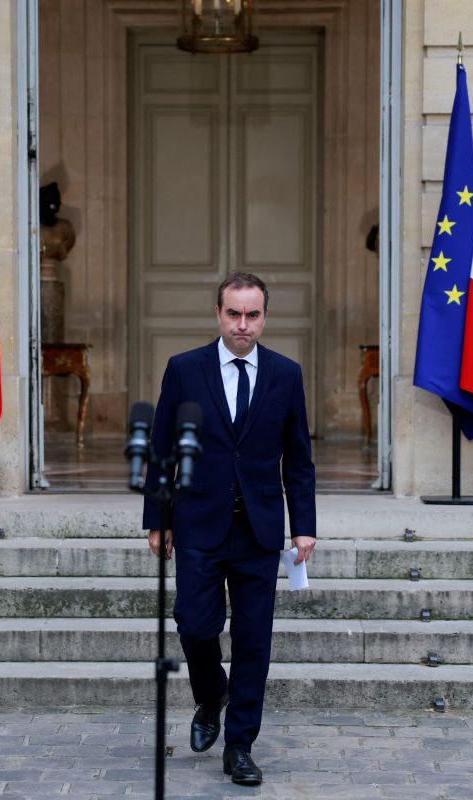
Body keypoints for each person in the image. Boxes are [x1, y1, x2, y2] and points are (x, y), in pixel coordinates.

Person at [144, 271, 317, 787]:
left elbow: (299, 460)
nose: (243, 324)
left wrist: (303, 526)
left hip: (258, 530)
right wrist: (158, 517)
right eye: (234, 314)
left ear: (264, 317)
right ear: (218, 314)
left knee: (253, 640)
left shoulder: (285, 374)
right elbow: (162, 448)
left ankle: (240, 746)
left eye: (252, 315)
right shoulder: (184, 369)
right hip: (198, 523)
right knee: (194, 626)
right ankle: (211, 692)